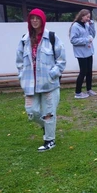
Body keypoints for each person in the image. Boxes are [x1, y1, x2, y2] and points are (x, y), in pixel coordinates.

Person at [16, 8, 66, 152]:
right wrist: (22, 76)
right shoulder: (24, 40)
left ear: (42, 20)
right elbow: (19, 61)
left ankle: (49, 140)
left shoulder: (51, 37)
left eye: (37, 18)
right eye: (32, 18)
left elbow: (61, 59)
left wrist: (53, 73)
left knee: (49, 112)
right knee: (31, 111)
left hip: (48, 83)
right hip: (30, 84)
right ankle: (46, 127)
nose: (35, 21)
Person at [70, 9, 97, 99]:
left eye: (89, 17)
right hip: (81, 54)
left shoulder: (86, 25)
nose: (88, 19)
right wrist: (86, 40)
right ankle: (78, 92)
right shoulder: (75, 26)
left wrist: (92, 25)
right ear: (82, 16)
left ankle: (89, 89)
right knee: (83, 72)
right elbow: (73, 40)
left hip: (89, 52)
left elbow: (92, 35)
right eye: (87, 17)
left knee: (89, 71)